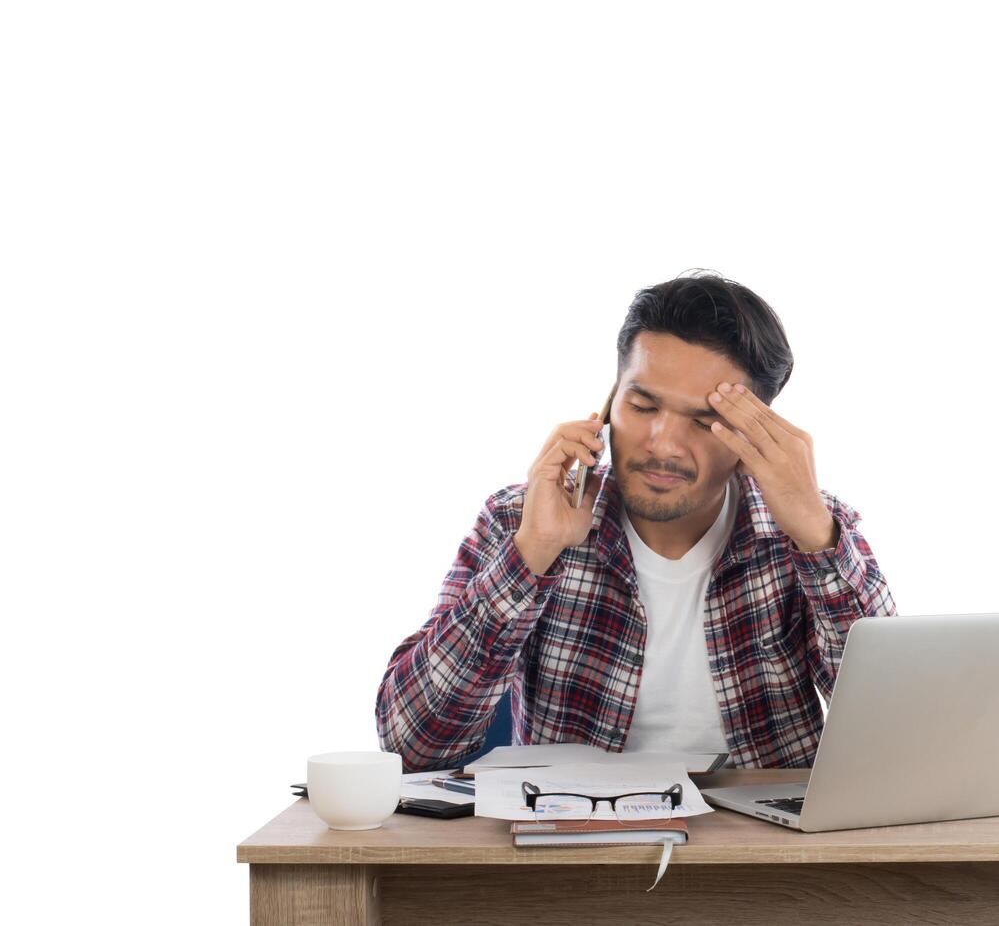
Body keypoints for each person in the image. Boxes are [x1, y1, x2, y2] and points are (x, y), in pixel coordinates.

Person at [375, 270, 897, 771]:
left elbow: (890, 736)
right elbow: (412, 743)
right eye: (643, 405)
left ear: (753, 434)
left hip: (764, 854)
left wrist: (816, 538)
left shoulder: (807, 529)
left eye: (703, 420)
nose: (662, 444)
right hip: (578, 848)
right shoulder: (520, 519)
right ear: (607, 404)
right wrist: (532, 552)